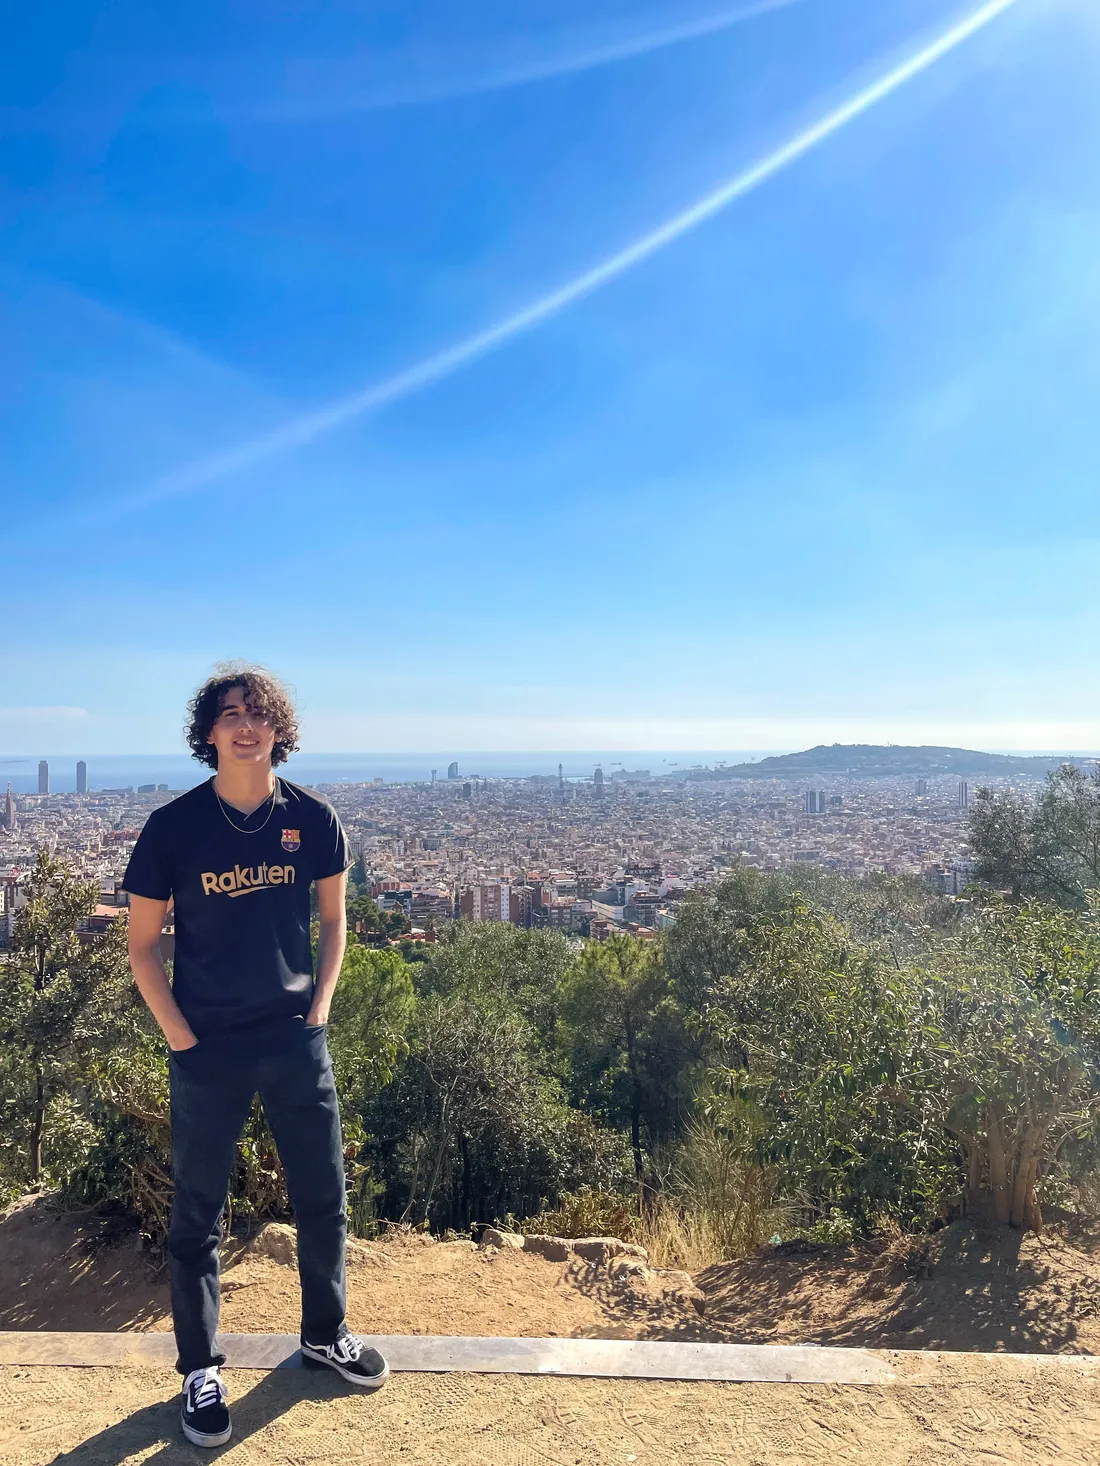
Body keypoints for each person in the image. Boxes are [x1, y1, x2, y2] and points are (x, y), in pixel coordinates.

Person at [123, 664, 387, 1449]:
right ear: (207, 734)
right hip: (207, 1045)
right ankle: (201, 1368)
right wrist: (179, 1034)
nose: (245, 725)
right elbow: (141, 948)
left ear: (279, 729)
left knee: (323, 1196)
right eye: (229, 714)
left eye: (258, 713)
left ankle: (323, 1332)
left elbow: (335, 921)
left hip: (293, 1036)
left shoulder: (314, 818)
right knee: (197, 1213)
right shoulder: (173, 829)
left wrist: (322, 1004)